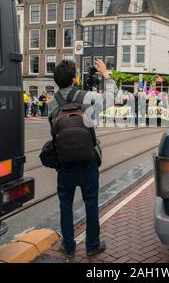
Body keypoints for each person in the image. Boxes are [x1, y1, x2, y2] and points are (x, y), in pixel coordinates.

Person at [48, 59, 118, 259]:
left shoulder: (51, 103)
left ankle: (68, 246)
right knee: (91, 202)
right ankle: (92, 245)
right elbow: (112, 98)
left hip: (64, 164)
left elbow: (53, 130)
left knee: (65, 204)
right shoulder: (87, 97)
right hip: (87, 160)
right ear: (74, 78)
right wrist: (106, 75)